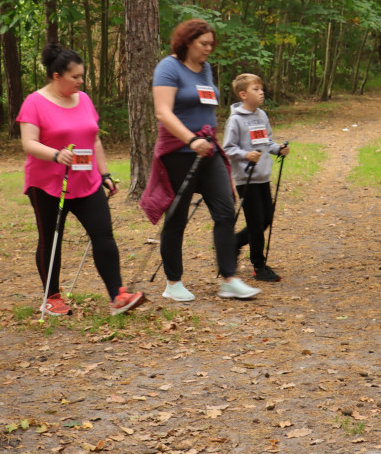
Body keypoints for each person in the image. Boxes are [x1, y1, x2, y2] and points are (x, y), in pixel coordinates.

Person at [17, 43, 144, 316]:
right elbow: (28, 143)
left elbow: (94, 138)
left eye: (82, 76)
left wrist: (105, 174)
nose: (81, 81)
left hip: (86, 182)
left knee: (104, 235)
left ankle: (117, 296)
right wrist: (55, 154)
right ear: (56, 76)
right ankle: (52, 298)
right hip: (48, 184)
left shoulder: (84, 99)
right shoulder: (34, 102)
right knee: (51, 239)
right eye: (75, 76)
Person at [141, 19, 260, 301]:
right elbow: (163, 112)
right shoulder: (168, 68)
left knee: (224, 209)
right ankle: (173, 283)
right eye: (203, 43)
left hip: (209, 151)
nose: (209, 49)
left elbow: (206, 103)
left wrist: (204, 141)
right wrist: (190, 139)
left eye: (211, 44)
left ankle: (229, 278)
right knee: (177, 218)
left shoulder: (205, 68)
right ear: (187, 41)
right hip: (179, 152)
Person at [222, 73, 289, 282]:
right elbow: (228, 148)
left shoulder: (261, 116)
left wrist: (278, 149)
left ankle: (234, 242)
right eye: (256, 90)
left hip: (262, 177)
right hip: (246, 179)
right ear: (243, 94)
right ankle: (259, 266)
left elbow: (266, 141)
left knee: (266, 218)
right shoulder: (235, 120)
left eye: (261, 89)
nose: (261, 93)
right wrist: (245, 155)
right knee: (256, 221)